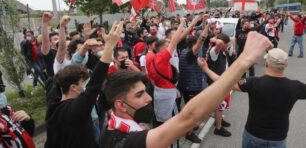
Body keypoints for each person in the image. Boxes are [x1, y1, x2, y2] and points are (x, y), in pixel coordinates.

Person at [100, 31, 273, 148]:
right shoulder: (125, 141)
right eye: (139, 95)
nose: (149, 98)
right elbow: (188, 117)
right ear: (120, 105)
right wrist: (244, 60)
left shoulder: (118, 126)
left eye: (145, 91)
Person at [199, 47, 306, 148]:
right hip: (278, 138)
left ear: (266, 63)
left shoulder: (254, 82)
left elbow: (223, 82)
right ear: (285, 65)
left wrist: (206, 69)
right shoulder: (296, 86)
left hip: (254, 135)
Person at [44, 21, 123, 148]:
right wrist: (109, 45)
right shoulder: (78, 108)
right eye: (83, 83)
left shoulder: (53, 107)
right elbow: (95, 82)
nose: (85, 86)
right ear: (73, 87)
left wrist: (85, 45)